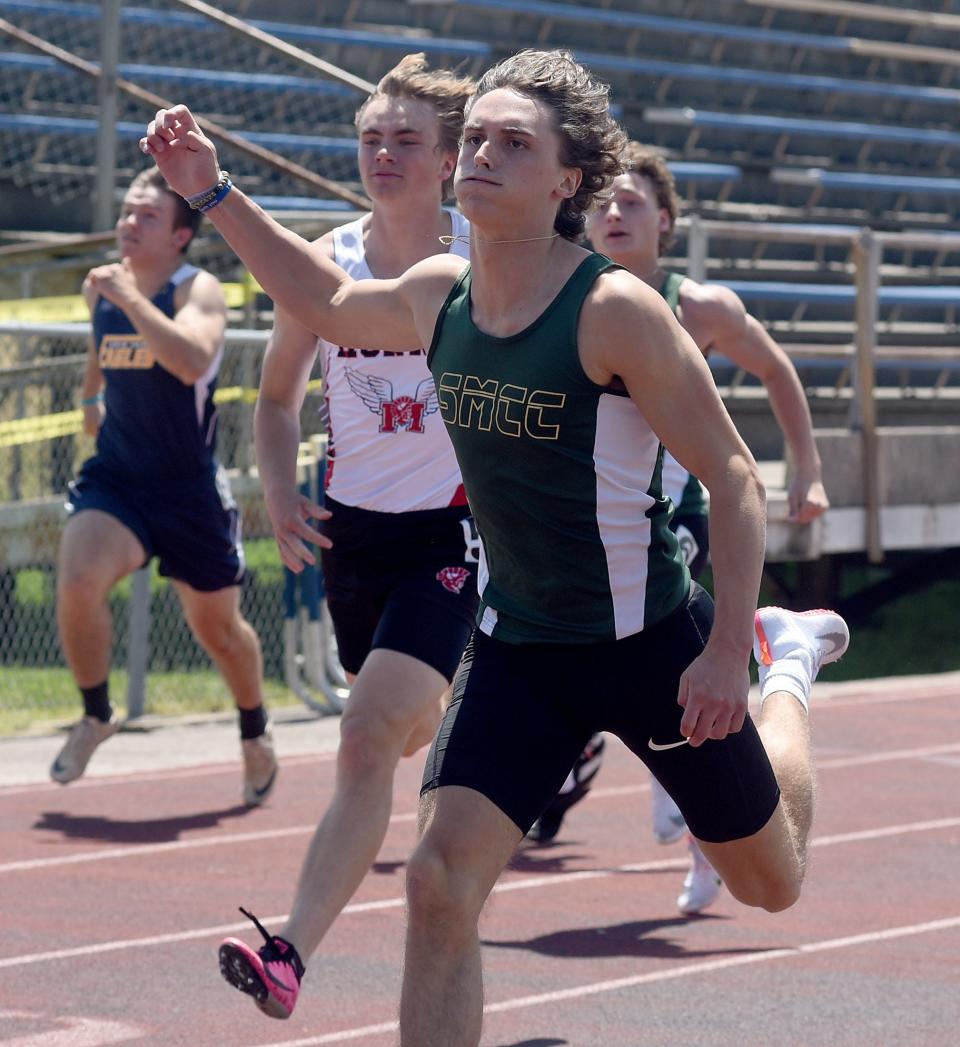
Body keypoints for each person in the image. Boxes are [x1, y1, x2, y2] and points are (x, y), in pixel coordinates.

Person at [141, 48, 849, 1045]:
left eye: (512, 143)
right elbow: (329, 306)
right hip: (518, 647)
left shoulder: (614, 312)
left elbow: (732, 477)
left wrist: (732, 648)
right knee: (436, 883)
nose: (479, 154)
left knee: (770, 882)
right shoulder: (443, 293)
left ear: (568, 180)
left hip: (649, 646)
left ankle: (794, 672)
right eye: (473, 136)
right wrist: (210, 191)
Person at [215, 55, 479, 1018]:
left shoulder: (480, 254)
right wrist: (280, 492)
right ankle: (502, 708)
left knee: (366, 738)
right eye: (372, 136)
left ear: (450, 159)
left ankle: (287, 951)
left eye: (407, 139)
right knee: (394, 738)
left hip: (454, 536)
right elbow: (278, 395)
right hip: (356, 539)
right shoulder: (327, 260)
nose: (384, 152)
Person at [530, 144, 832, 917]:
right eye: (604, 202)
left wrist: (807, 467)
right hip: (586, 525)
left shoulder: (701, 309)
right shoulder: (559, 297)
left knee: (674, 664)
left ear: (664, 222)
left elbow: (776, 372)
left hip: (677, 514)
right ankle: (669, 775)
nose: (615, 213)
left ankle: (698, 790)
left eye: (632, 202)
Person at [52, 167, 276, 807]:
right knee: (76, 578)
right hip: (119, 478)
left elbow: (191, 360)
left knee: (219, 632)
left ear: (179, 236)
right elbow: (98, 358)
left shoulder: (197, 289)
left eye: (146, 216)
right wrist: (92, 397)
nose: (129, 223)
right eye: (127, 211)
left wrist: (130, 300)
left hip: (188, 488)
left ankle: (255, 729)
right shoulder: (105, 291)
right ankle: (97, 713)